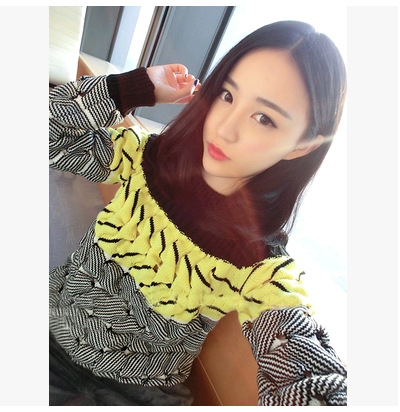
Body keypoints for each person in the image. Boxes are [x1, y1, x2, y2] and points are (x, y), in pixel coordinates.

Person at [49, 20, 347, 406]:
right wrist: (133, 88)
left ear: (302, 146)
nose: (224, 128)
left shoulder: (259, 266)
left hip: (134, 394)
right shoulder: (144, 158)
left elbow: (305, 366)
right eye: (227, 95)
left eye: (264, 118)